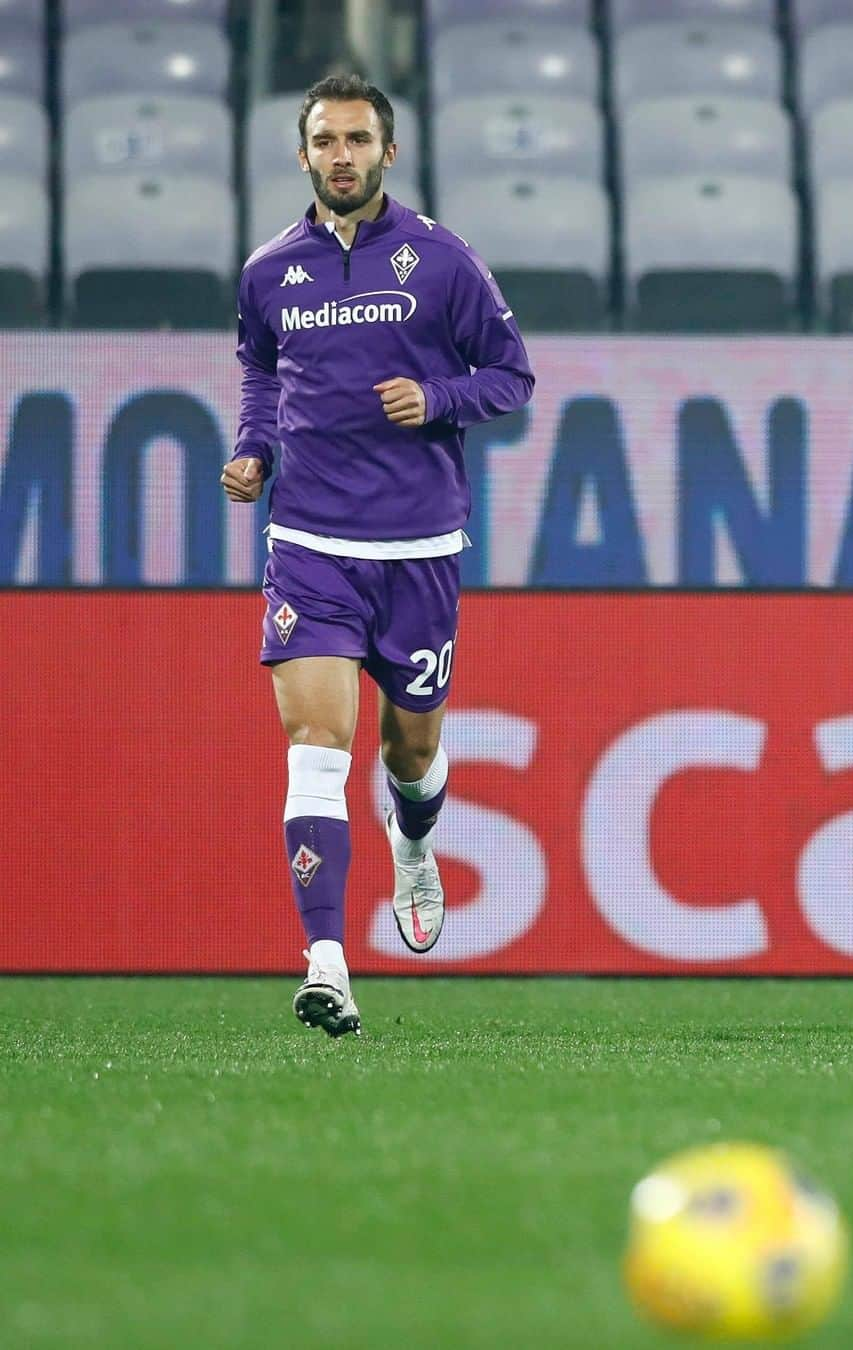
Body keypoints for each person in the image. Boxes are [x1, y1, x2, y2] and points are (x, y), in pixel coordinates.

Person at [221, 74, 535, 1038]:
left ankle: (415, 842)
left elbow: (512, 377)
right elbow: (262, 375)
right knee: (315, 752)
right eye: (326, 140)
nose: (342, 155)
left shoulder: (442, 262)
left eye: (359, 139)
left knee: (413, 751)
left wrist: (437, 400)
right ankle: (327, 964)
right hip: (309, 543)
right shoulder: (271, 271)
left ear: (387, 153)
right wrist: (252, 448)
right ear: (305, 153)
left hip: (419, 547)